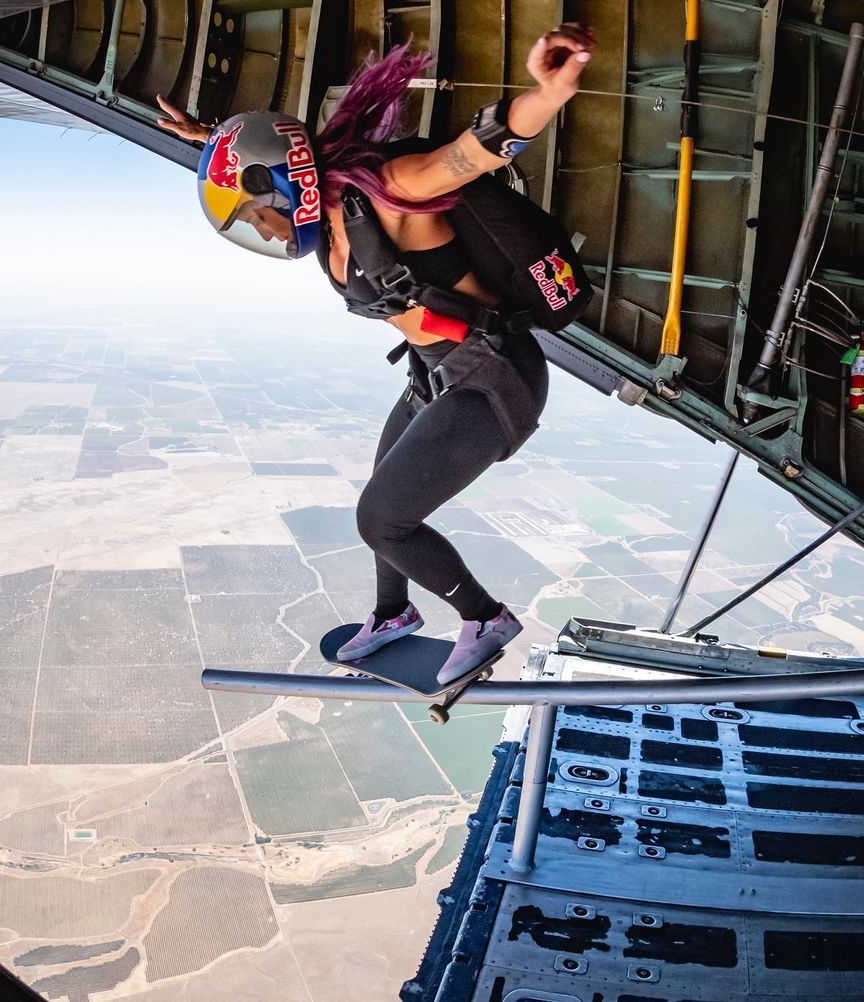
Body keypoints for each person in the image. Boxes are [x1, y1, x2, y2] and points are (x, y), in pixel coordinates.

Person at [158, 24, 595, 684]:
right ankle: (393, 614)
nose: (265, 229)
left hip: (495, 376)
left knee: (383, 519)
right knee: (382, 501)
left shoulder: (394, 194)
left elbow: (475, 151)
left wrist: (549, 90)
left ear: (283, 186)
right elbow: (272, 151)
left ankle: (485, 617)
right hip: (438, 373)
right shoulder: (327, 220)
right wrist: (210, 140)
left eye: (257, 214)